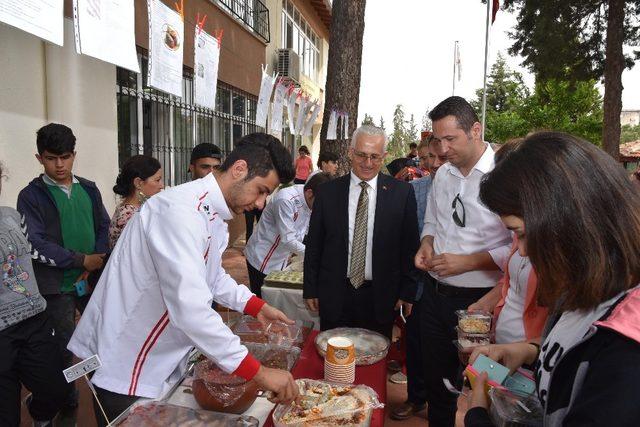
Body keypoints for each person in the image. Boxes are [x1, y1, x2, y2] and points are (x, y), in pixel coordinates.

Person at [68, 133, 299, 426]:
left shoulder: (212, 214)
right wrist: (259, 372)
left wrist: (256, 306)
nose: (261, 203)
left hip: (159, 358)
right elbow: (192, 309)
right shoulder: (179, 211)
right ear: (239, 169)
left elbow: (212, 277)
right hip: (127, 364)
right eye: (261, 190)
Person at [465, 131, 640, 426]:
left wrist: (475, 418)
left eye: (520, 233)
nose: (520, 251)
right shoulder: (581, 287)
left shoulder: (627, 353)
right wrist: (528, 350)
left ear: (566, 220)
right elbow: (572, 349)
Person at [413, 97, 512, 427]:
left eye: (450, 139)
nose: (441, 149)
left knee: (475, 384)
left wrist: (469, 263)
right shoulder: (443, 174)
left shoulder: (505, 172)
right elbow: (433, 220)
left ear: (475, 130)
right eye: (437, 140)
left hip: (480, 302)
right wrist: (426, 244)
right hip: (434, 294)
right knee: (436, 381)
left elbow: (519, 245)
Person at [16, 123, 110, 422]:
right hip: (56, 287)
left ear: (74, 155)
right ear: (39, 158)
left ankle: (100, 389)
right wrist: (81, 260)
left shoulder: (90, 189)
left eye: (66, 157)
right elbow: (35, 242)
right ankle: (62, 397)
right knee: (65, 346)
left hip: (90, 281)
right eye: (51, 158)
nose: (59, 164)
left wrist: (94, 260)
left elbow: (103, 226)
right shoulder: (31, 196)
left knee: (99, 337)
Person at [303, 125, 420, 339]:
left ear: (384, 156)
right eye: (361, 155)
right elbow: (315, 245)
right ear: (350, 152)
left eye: (375, 157)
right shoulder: (328, 192)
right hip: (335, 293)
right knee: (335, 360)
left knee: (374, 360)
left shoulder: (402, 193)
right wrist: (310, 288)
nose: (367, 163)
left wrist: (407, 291)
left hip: (381, 296)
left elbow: (409, 246)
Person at [0, 163, 72, 427]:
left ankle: (40, 416)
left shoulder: (10, 215)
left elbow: (34, 250)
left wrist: (76, 262)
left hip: (33, 318)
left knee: (57, 391)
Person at [390, 135, 446, 420]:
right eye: (426, 158)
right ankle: (416, 398)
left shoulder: (463, 187)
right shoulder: (413, 190)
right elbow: (406, 241)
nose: (433, 164)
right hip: (419, 281)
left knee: (445, 354)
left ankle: (442, 405)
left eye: (439, 158)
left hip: (452, 284)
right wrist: (409, 288)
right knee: (415, 344)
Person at [245, 172, 333, 297]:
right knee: (261, 301)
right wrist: (315, 255)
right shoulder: (285, 200)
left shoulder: (313, 200)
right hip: (263, 257)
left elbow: (306, 231)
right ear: (309, 193)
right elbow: (288, 240)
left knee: (274, 300)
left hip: (281, 257)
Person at [109, 155, 163, 249]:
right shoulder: (129, 216)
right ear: (138, 183)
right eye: (157, 180)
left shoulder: (133, 210)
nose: (162, 185)